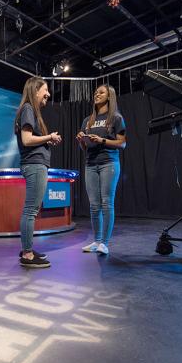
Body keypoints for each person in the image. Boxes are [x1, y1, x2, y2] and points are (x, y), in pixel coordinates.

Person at [15, 76, 62, 268]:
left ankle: (27, 249)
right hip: (34, 165)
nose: (48, 94)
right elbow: (26, 140)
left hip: (35, 164)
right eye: (45, 90)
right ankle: (27, 253)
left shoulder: (30, 111)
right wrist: (48, 136)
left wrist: (45, 140)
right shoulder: (27, 108)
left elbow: (31, 139)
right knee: (30, 210)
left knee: (31, 209)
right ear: (35, 90)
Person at [76, 84, 127, 255]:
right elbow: (86, 148)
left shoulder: (116, 118)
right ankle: (97, 241)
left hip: (108, 163)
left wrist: (102, 141)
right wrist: (81, 141)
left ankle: (104, 243)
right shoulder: (87, 120)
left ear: (109, 96)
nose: (97, 94)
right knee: (94, 205)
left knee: (106, 203)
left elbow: (122, 143)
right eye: (96, 92)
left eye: (101, 92)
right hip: (90, 164)